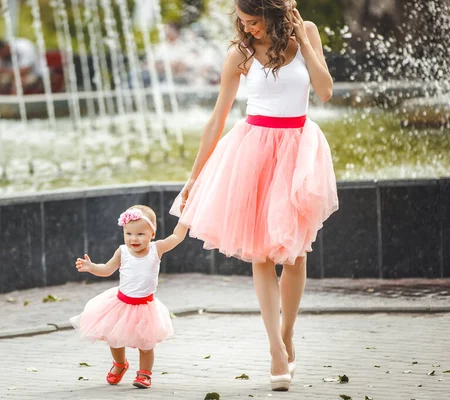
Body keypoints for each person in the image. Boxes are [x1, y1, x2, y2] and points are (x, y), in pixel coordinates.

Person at [170, 0, 339, 392]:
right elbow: (217, 118)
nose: (248, 29)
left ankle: (287, 332)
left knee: (295, 254)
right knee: (261, 254)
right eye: (242, 22)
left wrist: (302, 38)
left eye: (254, 21)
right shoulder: (240, 52)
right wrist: (194, 177)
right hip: (253, 152)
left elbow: (326, 91)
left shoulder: (307, 32)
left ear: (274, 14)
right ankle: (275, 349)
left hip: (297, 150)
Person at [69, 205, 188, 389]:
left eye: (141, 234)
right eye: (129, 233)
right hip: (121, 303)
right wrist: (92, 267)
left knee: (146, 343)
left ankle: (144, 373)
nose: (134, 238)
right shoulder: (122, 251)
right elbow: (107, 269)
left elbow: (177, 236)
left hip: (145, 307)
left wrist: (185, 216)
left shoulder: (157, 249)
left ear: (152, 234)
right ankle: (120, 364)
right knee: (114, 338)